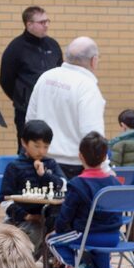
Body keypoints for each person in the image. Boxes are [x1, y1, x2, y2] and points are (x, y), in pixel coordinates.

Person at [52, 132, 123, 268]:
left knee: (52, 241)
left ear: (80, 156)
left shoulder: (77, 184)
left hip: (87, 235)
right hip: (113, 237)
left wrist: (58, 229)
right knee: (101, 249)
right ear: (105, 156)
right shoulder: (115, 182)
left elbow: (66, 214)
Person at [26, 37, 107, 175]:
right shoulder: (87, 87)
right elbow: (92, 137)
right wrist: (105, 170)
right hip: (73, 168)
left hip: (39, 162)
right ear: (94, 60)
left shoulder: (45, 77)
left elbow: (30, 121)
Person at [0, 119, 66, 265]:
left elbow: (63, 185)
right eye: (36, 146)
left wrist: (44, 175)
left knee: (66, 230)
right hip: (23, 220)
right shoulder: (15, 167)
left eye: (46, 147)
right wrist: (28, 216)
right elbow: (4, 200)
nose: (41, 151)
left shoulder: (50, 164)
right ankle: (21, 267)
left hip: (50, 218)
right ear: (24, 143)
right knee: (33, 232)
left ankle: (56, 265)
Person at [0, 5, 61, 150]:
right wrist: (22, 98)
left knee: (53, 147)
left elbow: (60, 72)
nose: (46, 25)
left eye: (47, 21)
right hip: (26, 110)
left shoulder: (53, 45)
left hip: (52, 108)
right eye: (42, 22)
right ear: (29, 24)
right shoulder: (16, 48)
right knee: (28, 148)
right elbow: (6, 80)